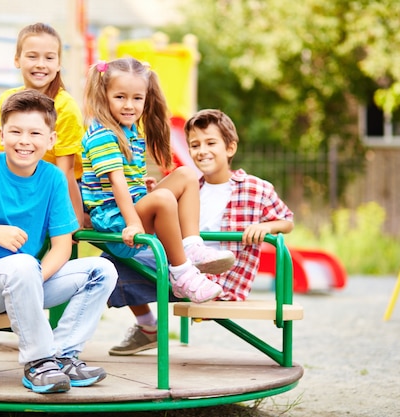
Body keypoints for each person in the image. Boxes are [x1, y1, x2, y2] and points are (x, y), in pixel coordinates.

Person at [0, 89, 118, 394]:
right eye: (15, 131)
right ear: (1, 135)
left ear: (51, 140)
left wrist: (33, 279)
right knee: (25, 264)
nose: (24, 140)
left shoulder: (53, 178)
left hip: (28, 277)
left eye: (35, 133)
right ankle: (38, 362)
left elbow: (62, 246)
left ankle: (63, 355)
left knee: (102, 270)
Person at [107, 109, 294, 356]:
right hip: (184, 269)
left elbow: (287, 221)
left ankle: (152, 323)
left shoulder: (255, 188)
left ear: (230, 148)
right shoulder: (191, 188)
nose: (201, 150)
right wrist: (153, 195)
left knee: (115, 264)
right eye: (194, 145)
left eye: (210, 143)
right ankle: (148, 327)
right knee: (109, 264)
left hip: (222, 276)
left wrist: (265, 226)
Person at [80, 57, 235, 306]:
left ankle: (192, 245)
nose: (129, 105)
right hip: (115, 224)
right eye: (120, 97)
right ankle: (182, 274)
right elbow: (117, 183)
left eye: (137, 98)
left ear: (146, 97)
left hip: (128, 211)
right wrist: (133, 222)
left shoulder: (130, 132)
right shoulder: (103, 135)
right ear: (104, 95)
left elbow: (127, 182)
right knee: (163, 198)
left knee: (186, 175)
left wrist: (144, 190)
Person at [0, 22, 85, 227]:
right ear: (17, 60)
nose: (41, 64)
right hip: (19, 180)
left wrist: (74, 218)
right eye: (32, 56)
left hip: (54, 185)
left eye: (49, 58)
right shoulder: (7, 99)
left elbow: (65, 171)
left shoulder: (65, 106)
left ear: (58, 64)